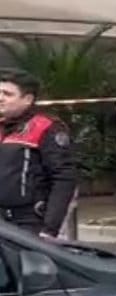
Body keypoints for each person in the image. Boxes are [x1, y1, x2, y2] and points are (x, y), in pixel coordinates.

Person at [0, 71, 77, 238]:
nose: (0, 98)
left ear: (27, 99)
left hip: (30, 222)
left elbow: (63, 178)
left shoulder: (46, 127)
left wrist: (50, 228)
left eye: (7, 94)